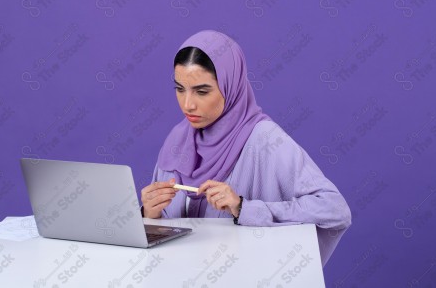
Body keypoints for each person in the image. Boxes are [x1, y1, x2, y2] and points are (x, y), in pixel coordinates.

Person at [140, 30, 351, 266]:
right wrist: (150, 214)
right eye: (180, 89)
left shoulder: (266, 140)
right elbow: (172, 237)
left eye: (202, 91)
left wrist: (243, 208)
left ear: (231, 85)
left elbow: (334, 209)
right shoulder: (177, 141)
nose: (187, 104)